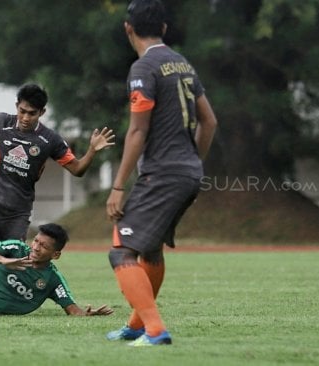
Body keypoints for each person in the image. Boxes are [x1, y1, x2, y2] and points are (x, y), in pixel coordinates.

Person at [105, 0, 217, 346]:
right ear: (165, 28)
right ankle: (137, 325)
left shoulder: (144, 68)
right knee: (150, 250)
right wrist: (191, 163)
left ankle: (155, 330)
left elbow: (137, 132)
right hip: (187, 172)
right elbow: (209, 122)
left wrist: (119, 186)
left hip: (163, 174)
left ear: (128, 28)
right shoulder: (181, 63)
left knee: (121, 251)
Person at [0, 67, 116, 266]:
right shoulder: (0, 122)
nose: (25, 118)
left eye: (32, 113)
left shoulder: (50, 140)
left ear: (42, 112)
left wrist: (91, 150)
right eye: (22, 111)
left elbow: (77, 169)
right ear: (17, 106)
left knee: (14, 262)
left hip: (18, 210)